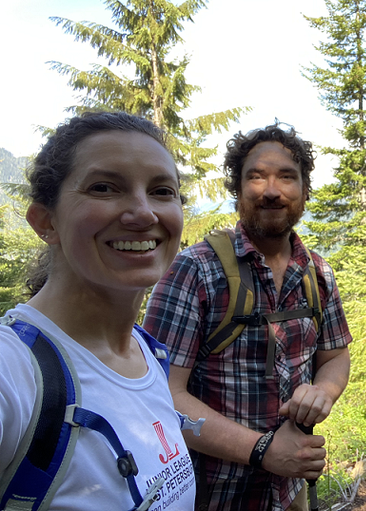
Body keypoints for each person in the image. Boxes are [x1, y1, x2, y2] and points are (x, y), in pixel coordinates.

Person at [143, 123, 352, 511]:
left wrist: (321, 392)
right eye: (256, 177)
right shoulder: (195, 271)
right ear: (237, 192)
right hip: (211, 495)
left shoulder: (318, 273)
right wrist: (263, 450)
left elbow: (336, 356)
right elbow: (159, 393)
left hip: (289, 491)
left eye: (286, 177)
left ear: (305, 191)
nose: (271, 190)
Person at [0, 112, 195, 510]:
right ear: (45, 221)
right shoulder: (13, 374)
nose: (144, 214)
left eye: (162, 191)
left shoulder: (147, 356)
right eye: (104, 187)